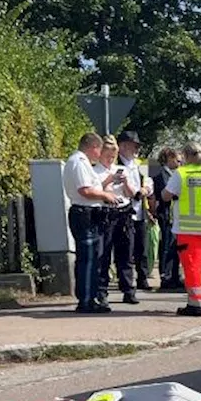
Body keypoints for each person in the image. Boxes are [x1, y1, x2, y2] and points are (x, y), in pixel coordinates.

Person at [63, 132, 127, 313]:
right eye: (99, 150)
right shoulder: (79, 162)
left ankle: (88, 298)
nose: (100, 155)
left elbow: (93, 186)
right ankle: (86, 300)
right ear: (93, 147)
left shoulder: (80, 162)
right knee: (89, 259)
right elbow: (85, 190)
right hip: (85, 213)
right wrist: (106, 195)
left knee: (90, 258)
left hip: (87, 213)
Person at [162, 142, 201, 316]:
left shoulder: (181, 174)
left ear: (186, 155)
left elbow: (166, 196)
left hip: (188, 229)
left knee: (192, 266)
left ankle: (195, 303)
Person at [94, 135, 140, 305]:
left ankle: (128, 290)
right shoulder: (95, 171)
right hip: (105, 213)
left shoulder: (122, 168)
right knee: (103, 254)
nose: (111, 159)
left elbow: (131, 194)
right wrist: (109, 179)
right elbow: (96, 190)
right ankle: (101, 291)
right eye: (108, 155)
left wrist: (126, 181)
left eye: (113, 155)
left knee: (126, 254)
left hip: (124, 213)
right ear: (100, 154)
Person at [117, 131, 153, 290]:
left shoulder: (139, 164)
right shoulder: (116, 164)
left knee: (142, 248)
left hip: (140, 211)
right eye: (134, 145)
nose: (137, 149)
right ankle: (126, 283)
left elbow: (150, 182)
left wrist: (145, 189)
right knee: (126, 249)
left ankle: (142, 278)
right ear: (123, 146)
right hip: (123, 211)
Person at [150, 147, 184, 291]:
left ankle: (175, 276)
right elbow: (168, 193)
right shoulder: (161, 174)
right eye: (178, 160)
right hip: (166, 214)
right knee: (167, 246)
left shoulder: (175, 174)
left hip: (175, 215)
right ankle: (166, 276)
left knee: (176, 247)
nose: (180, 163)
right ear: (169, 158)